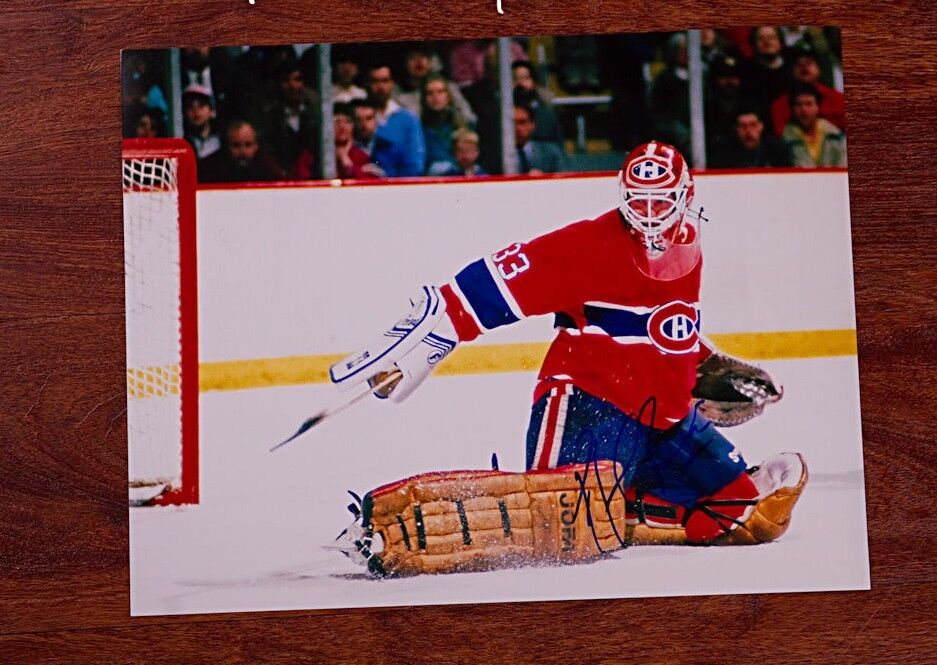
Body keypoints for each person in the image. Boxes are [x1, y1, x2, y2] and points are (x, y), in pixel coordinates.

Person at [332, 142, 807, 573]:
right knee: (554, 524)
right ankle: (391, 528)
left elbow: (658, 326)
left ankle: (623, 504)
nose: (647, 215)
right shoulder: (589, 244)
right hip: (586, 402)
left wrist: (701, 370)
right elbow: (499, 281)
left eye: (659, 202)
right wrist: (435, 336)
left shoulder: (688, 245)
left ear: (685, 198)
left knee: (747, 513)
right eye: (636, 202)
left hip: (658, 419)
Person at [255, 61, 320, 175]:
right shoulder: (267, 114)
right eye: (286, 80)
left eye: (297, 79)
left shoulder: (316, 110)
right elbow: (265, 150)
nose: (292, 86)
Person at [770, 43, 846, 136]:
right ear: (790, 70)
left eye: (809, 63)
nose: (804, 68)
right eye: (798, 64)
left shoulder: (838, 99)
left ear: (819, 68)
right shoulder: (779, 106)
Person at [365, 63, 426, 177]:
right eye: (375, 81)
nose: (380, 87)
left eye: (385, 81)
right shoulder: (360, 117)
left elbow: (417, 164)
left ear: (392, 84)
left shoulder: (409, 119)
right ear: (367, 84)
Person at [782, 82, 847, 167]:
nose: (804, 109)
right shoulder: (783, 143)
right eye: (798, 104)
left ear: (818, 107)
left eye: (809, 104)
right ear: (791, 109)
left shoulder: (837, 137)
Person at [199, 120, 285, 183]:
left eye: (248, 145)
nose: (242, 151)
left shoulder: (268, 166)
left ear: (256, 146)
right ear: (226, 147)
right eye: (236, 145)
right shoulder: (211, 168)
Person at [420, 73, 472, 175]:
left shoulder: (463, 126)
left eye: (440, 92)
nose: (435, 97)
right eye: (430, 93)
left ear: (448, 96)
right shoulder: (419, 129)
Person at [709, 107, 791, 168]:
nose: (748, 130)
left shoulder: (776, 149)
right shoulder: (725, 152)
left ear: (761, 126)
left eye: (753, 125)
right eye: (742, 126)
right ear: (736, 129)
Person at [513, 104, 566, 175]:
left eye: (522, 122)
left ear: (532, 125)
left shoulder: (550, 152)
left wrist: (543, 179)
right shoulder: (497, 156)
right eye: (512, 123)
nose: (517, 128)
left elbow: (564, 178)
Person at [181, 84, 221, 161]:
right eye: (190, 106)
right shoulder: (183, 142)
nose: (196, 111)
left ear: (212, 111)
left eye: (201, 105)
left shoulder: (221, 140)